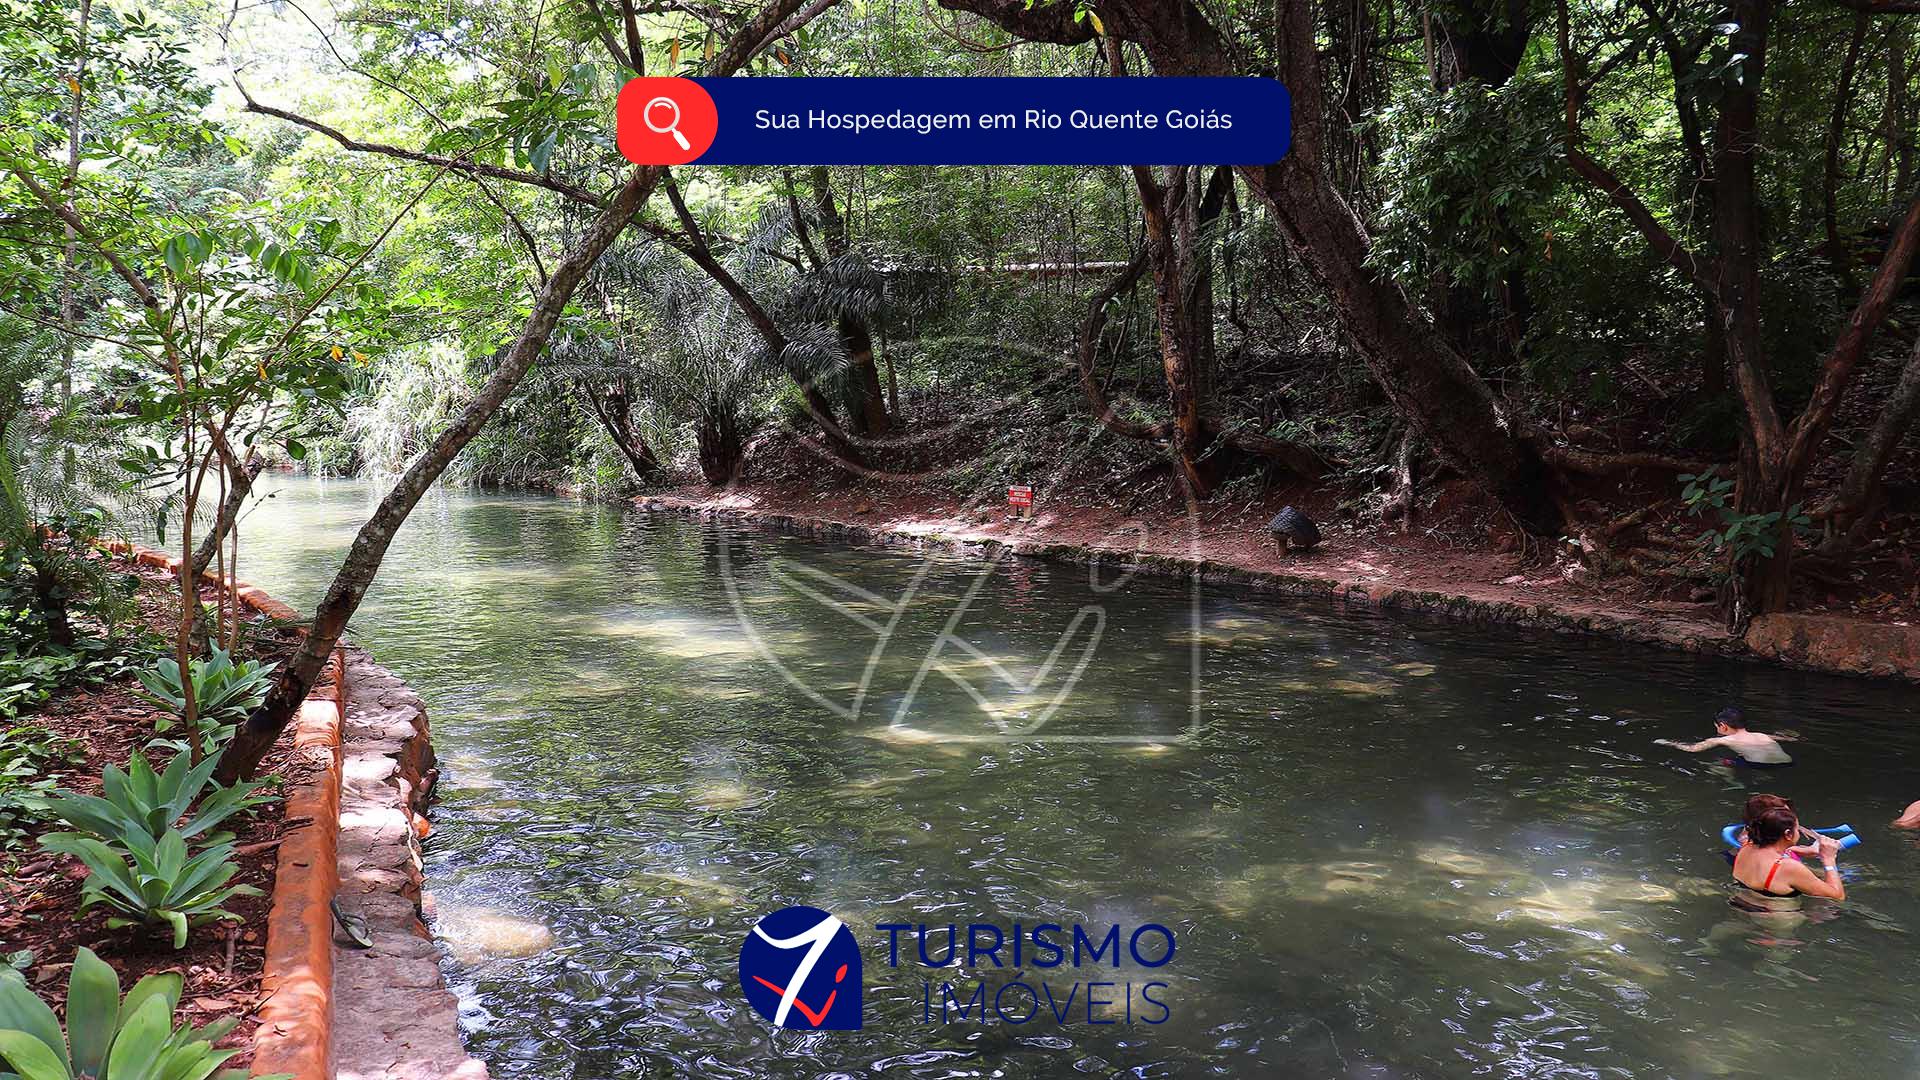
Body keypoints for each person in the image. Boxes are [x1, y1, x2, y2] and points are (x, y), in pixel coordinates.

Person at [1731, 805, 1845, 908]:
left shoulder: (1746, 846)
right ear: (1788, 834)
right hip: (1776, 918)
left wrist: (1804, 851)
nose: (1799, 832)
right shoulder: (1788, 867)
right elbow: (1837, 896)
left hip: (1739, 903)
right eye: (1797, 829)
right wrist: (1828, 859)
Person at [1655, 706, 1793, 766]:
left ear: (1723, 726)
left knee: (1719, 763)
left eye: (1716, 726)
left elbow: (1693, 749)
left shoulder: (1723, 739)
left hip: (1760, 765)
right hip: (1788, 763)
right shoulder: (1762, 735)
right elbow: (1790, 739)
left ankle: (1733, 783)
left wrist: (1668, 742)